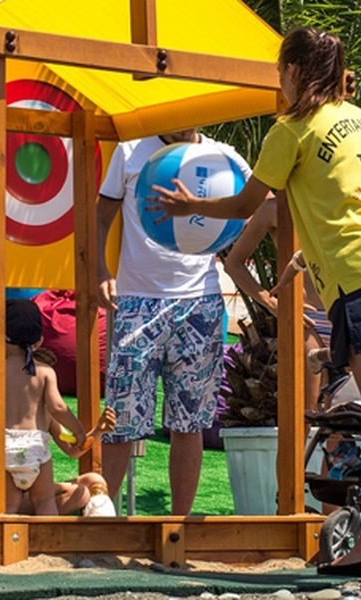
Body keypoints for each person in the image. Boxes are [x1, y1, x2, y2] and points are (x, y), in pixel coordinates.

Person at [150, 27, 361, 596]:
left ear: (292, 72)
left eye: (280, 70)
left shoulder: (291, 129)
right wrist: (305, 258)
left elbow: (246, 203)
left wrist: (188, 204)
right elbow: (349, 200)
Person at [95, 128, 252, 516]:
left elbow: (263, 202)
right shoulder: (131, 150)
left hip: (200, 301)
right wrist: (99, 270)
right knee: (121, 418)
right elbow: (101, 217)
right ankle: (102, 522)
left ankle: (178, 524)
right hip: (137, 299)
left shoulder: (224, 156)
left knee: (190, 421)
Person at [0, 299, 118, 516]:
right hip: (34, 445)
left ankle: (8, 535)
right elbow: (58, 407)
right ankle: (49, 535)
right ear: (39, 341)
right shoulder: (44, 373)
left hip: (3, 446)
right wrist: (79, 431)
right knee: (44, 501)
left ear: (0, 338)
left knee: (8, 507)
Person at [223, 197, 329, 411]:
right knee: (306, 415)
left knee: (347, 414)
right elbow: (233, 264)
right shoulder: (274, 208)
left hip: (351, 314)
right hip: (307, 322)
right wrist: (272, 304)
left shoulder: (346, 200)